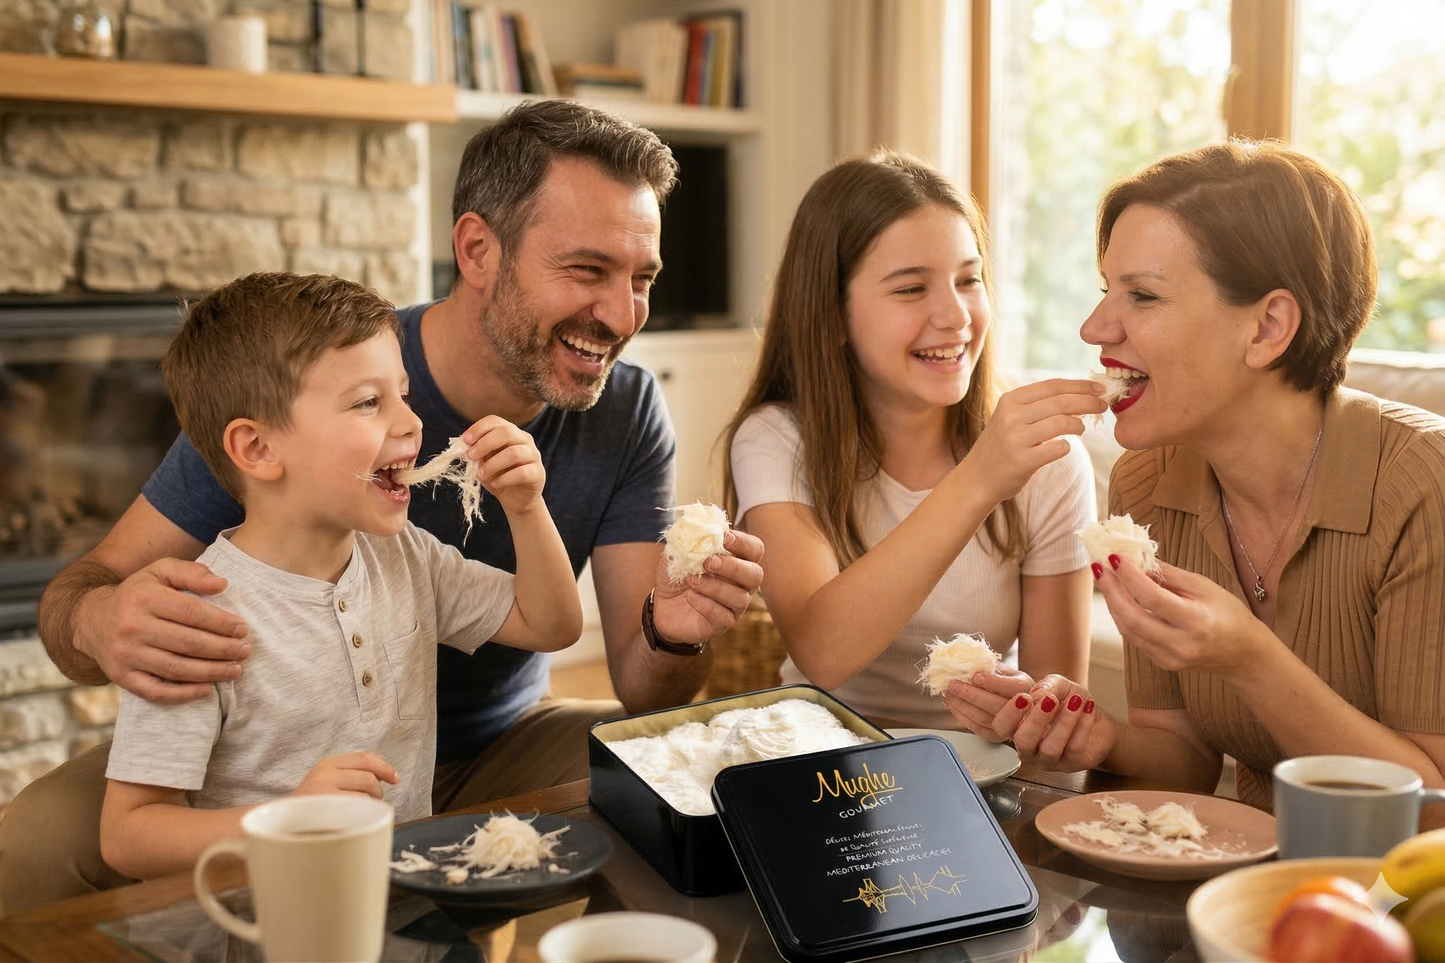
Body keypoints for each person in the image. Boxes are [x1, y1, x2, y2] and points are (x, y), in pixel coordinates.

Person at [0, 100, 764, 909]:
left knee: (688, 774)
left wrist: (672, 632)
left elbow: (626, 676)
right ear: (477, 250)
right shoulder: (304, 385)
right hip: (259, 761)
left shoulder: (621, 412)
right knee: (27, 849)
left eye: (641, 279)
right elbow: (82, 591)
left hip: (488, 741)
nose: (621, 315)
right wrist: (102, 620)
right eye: (585, 269)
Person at [952, 140, 1445, 813]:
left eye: (1142, 295)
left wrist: (1247, 656)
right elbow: (1179, 756)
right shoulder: (1147, 483)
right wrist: (1099, 739)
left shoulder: (1422, 485)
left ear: (1268, 327)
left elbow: (1432, 805)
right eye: (1106, 291)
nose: (1094, 327)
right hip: (1251, 886)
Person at [101, 272, 583, 879]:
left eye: (402, 394)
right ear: (257, 450)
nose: (411, 424)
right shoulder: (196, 621)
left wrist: (525, 506)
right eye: (368, 402)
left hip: (404, 904)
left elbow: (552, 623)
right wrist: (291, 820)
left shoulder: (407, 556)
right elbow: (129, 834)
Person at [723, 151, 1103, 730]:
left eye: (968, 280)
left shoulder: (1046, 459)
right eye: (910, 289)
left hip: (983, 773)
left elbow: (1054, 721)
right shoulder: (777, 439)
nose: (955, 315)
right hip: (826, 763)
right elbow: (821, 652)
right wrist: (979, 479)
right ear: (832, 316)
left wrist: (1031, 713)